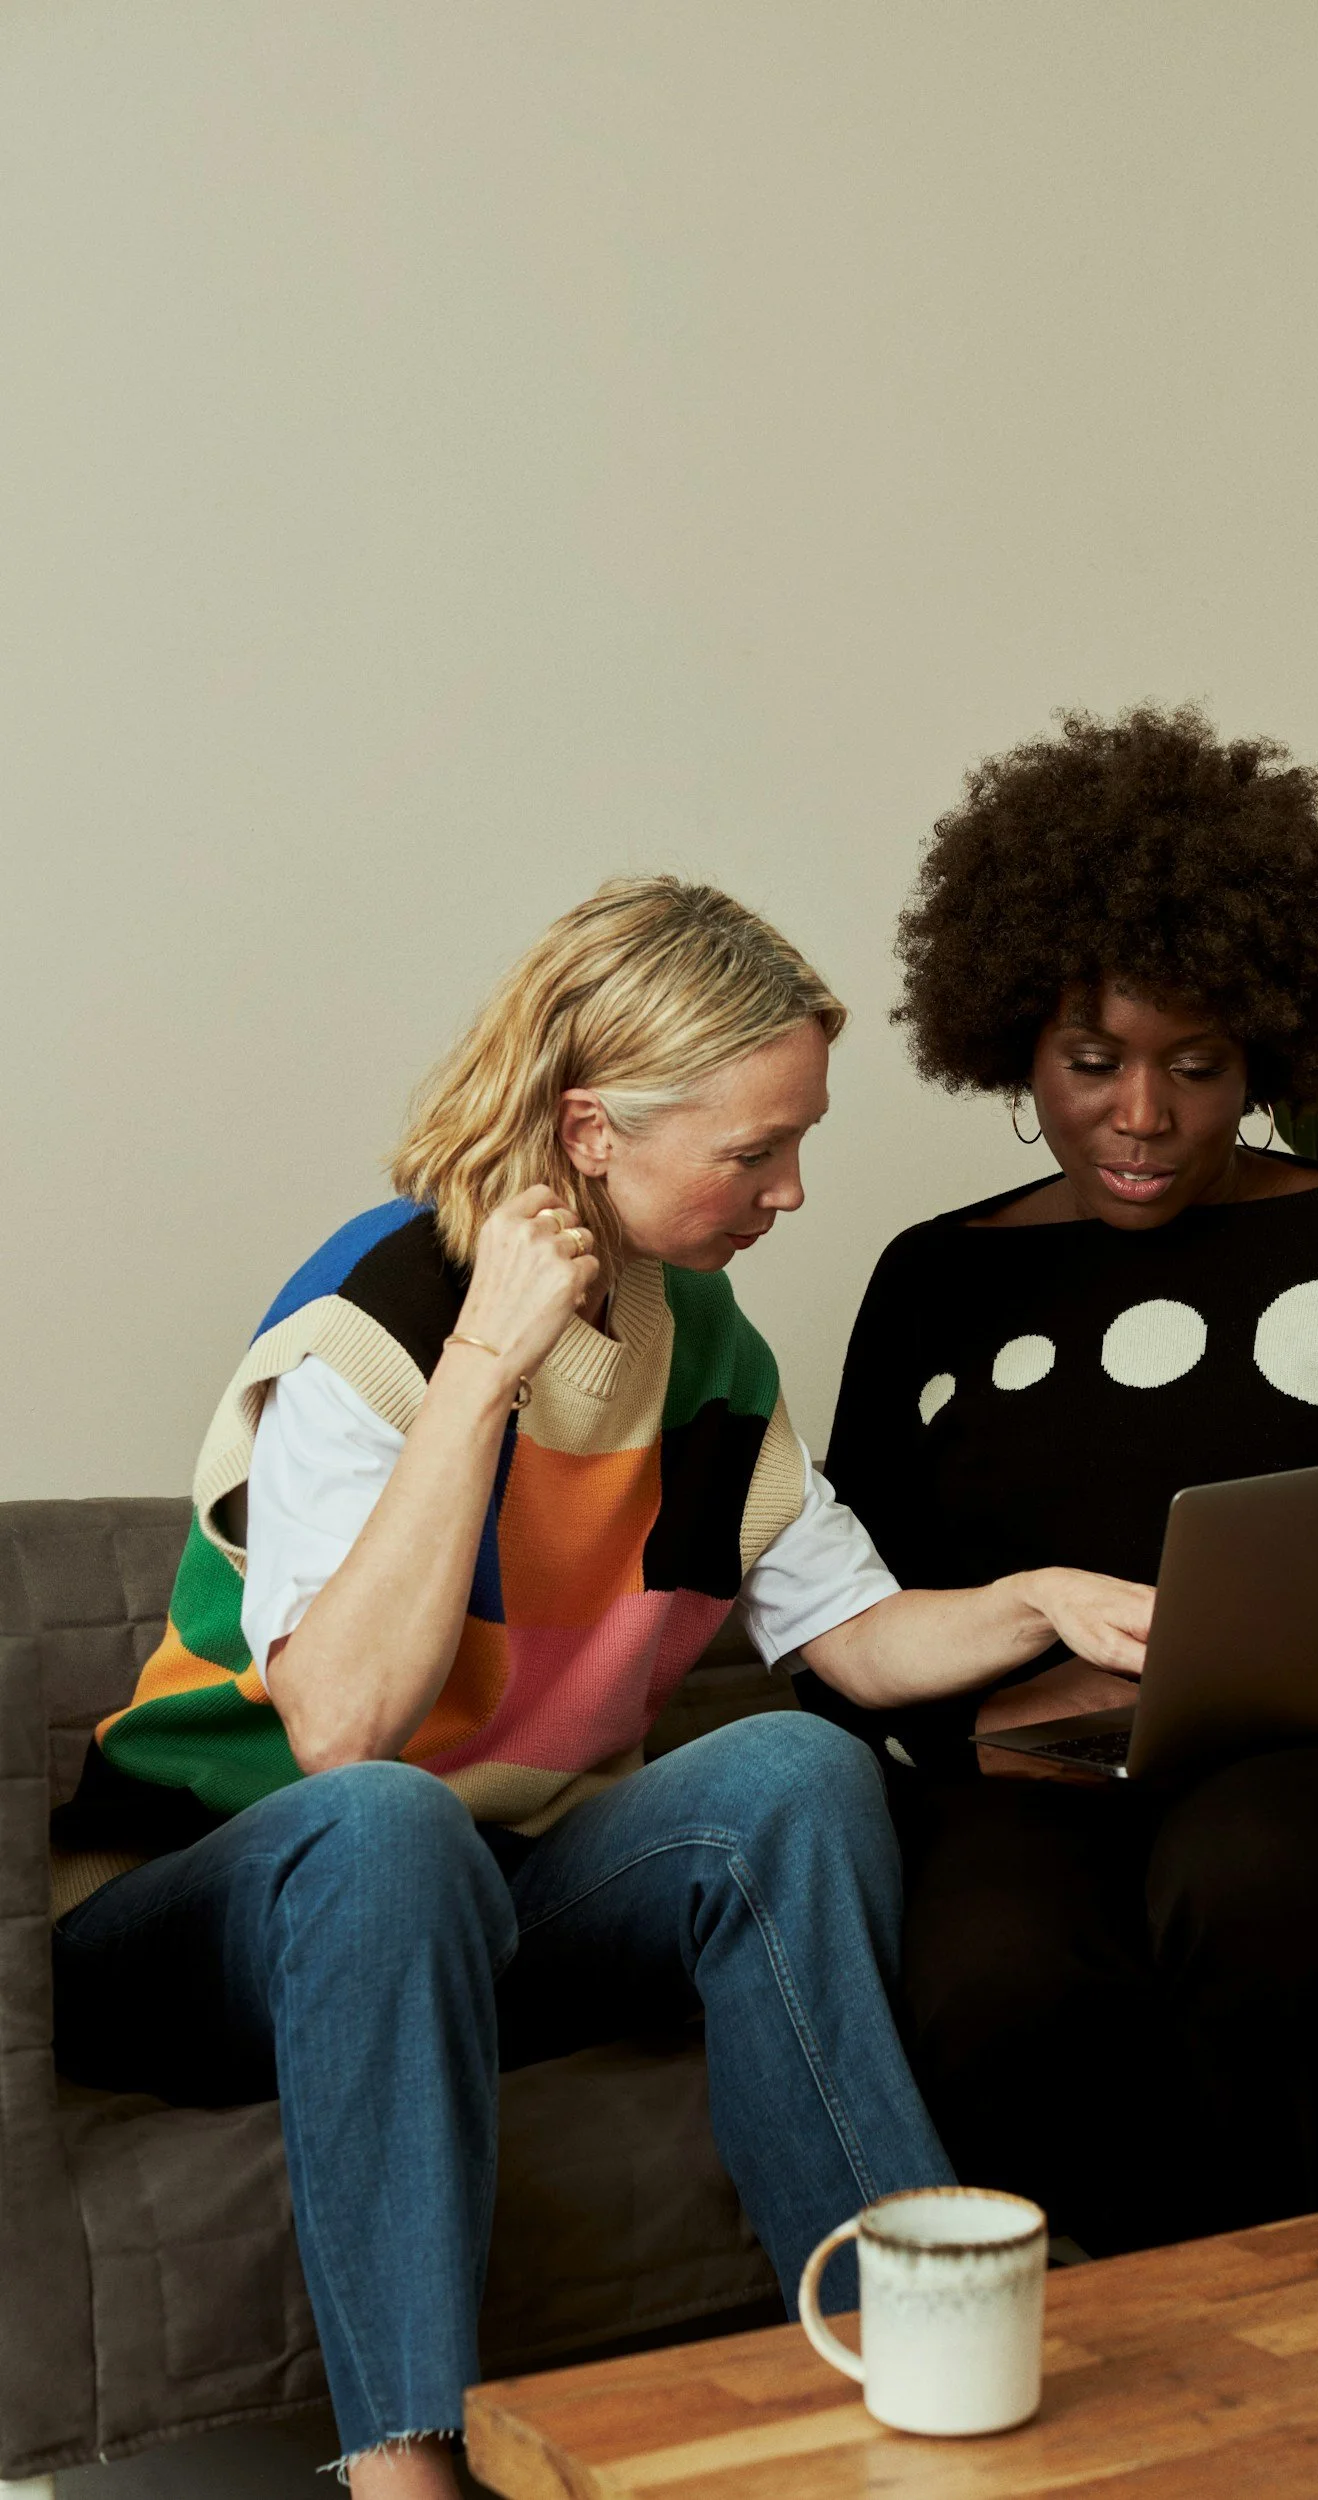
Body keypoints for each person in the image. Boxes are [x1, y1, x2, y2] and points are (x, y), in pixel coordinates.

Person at [49, 877, 1150, 2499]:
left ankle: (914, 2369)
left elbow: (849, 1637)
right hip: (201, 1914)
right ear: (589, 1131)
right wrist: (486, 1368)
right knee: (380, 1823)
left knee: (790, 1770)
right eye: (751, 1151)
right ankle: (405, 2471)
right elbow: (340, 1728)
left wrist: (1041, 1599)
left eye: (797, 1144)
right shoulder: (376, 1317)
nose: (789, 1191)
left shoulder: (701, 1346)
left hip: (484, 1901)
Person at [798, 705, 1318, 2260]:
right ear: (1012, 1046)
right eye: (1091, 1062)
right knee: (989, 1959)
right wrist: (983, 1716)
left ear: (1263, 1045)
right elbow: (838, 1630)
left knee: (1255, 1872)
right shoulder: (930, 1285)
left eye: (1193, 1066)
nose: (1140, 1116)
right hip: (1032, 1799)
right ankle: (1131, 2387)